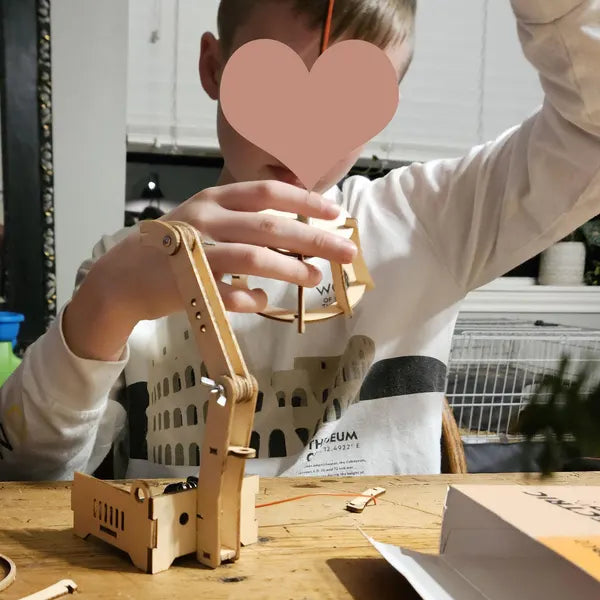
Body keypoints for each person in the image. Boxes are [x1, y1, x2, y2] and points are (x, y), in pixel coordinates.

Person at [1, 0, 599, 481]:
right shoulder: (129, 264)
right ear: (213, 69)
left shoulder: (428, 221)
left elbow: (588, 134)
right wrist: (106, 304)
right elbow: (22, 476)